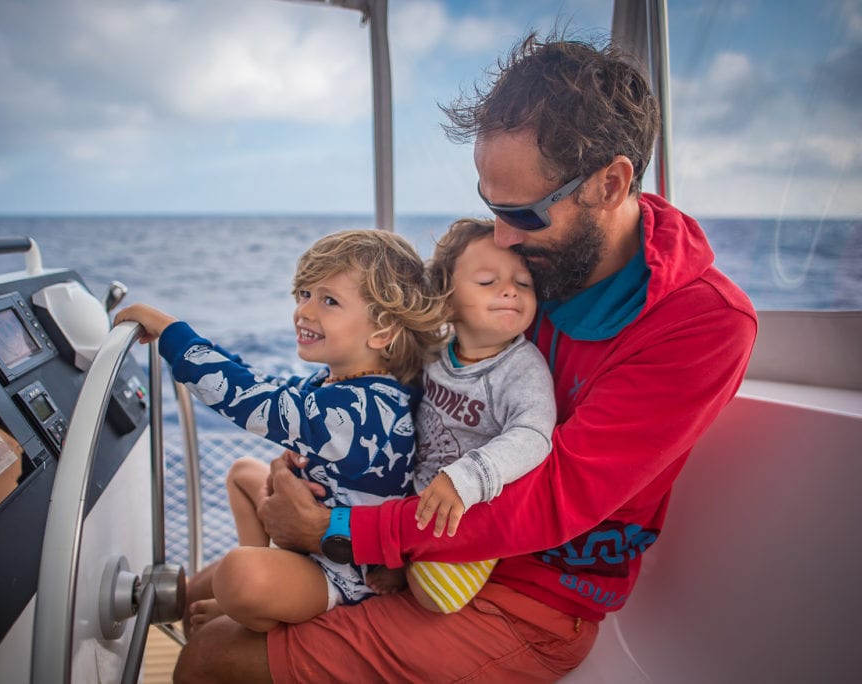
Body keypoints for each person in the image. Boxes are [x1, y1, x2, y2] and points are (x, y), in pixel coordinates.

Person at [175, 33, 757, 683]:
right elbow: (423, 376)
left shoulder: (700, 324)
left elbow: (555, 496)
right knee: (217, 605)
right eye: (490, 208)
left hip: (532, 599)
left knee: (212, 657)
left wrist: (341, 530)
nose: (502, 240)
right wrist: (329, 455)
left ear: (611, 183)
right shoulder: (525, 266)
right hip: (419, 538)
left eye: (523, 214)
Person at [114, 229, 444, 633]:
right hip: (310, 546)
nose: (305, 311)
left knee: (239, 574)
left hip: (344, 574)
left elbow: (249, 398)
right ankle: (257, 581)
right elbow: (259, 382)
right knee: (242, 474)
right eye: (304, 293)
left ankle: (249, 602)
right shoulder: (342, 384)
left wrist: (170, 331)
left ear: (382, 331)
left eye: (329, 301)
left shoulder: (362, 408)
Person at [407, 218, 556, 614]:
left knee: (435, 596)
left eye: (523, 284)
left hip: (467, 513)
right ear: (446, 297)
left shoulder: (522, 368)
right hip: (411, 493)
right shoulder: (435, 353)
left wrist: (467, 478)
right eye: (488, 281)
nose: (510, 290)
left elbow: (534, 434)